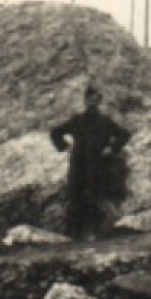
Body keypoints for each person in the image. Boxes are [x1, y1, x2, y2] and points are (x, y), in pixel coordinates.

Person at [50, 84, 129, 239]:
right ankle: (73, 236)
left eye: (96, 100)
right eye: (90, 100)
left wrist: (112, 148)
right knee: (75, 199)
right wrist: (65, 146)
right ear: (85, 101)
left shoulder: (105, 122)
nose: (93, 103)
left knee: (96, 197)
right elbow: (55, 132)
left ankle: (98, 234)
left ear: (99, 102)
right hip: (78, 166)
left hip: (98, 167)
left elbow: (124, 135)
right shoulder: (77, 120)